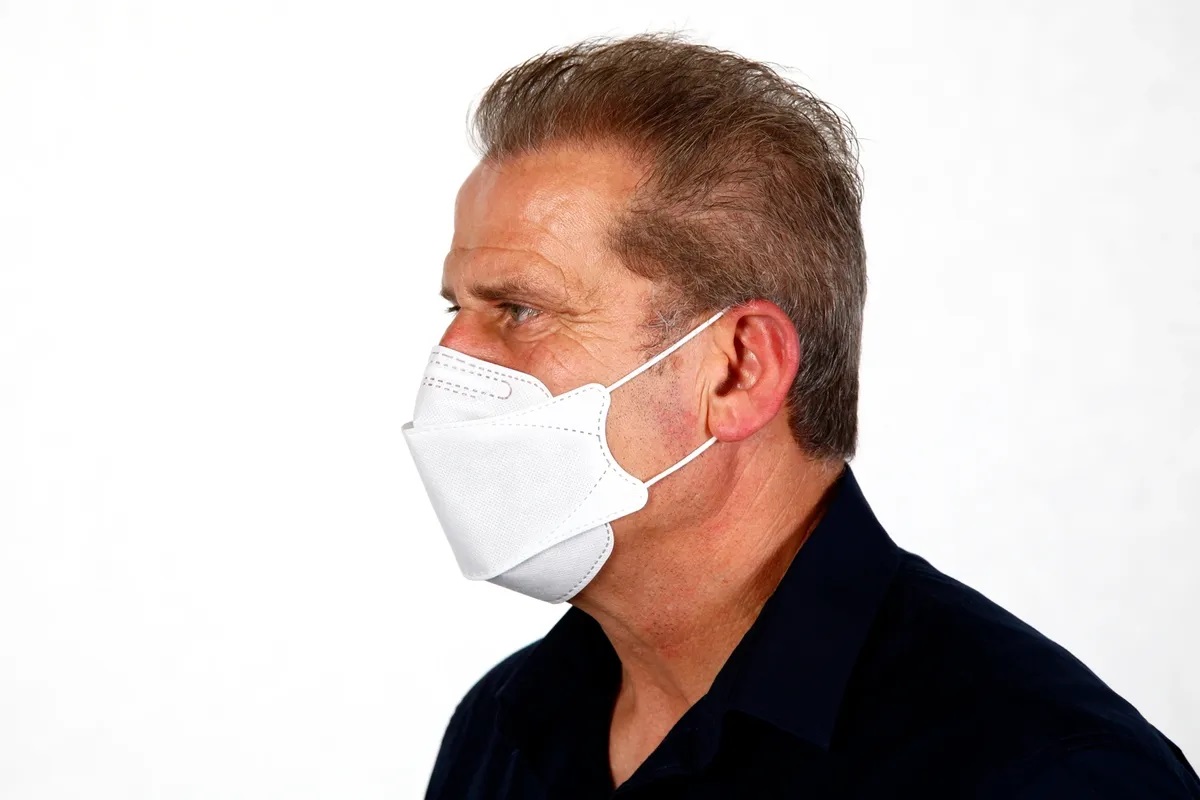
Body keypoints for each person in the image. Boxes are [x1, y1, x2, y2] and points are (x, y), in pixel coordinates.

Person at [400, 34, 1200, 799]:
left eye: (519, 309)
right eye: (454, 308)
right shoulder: (505, 728)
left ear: (739, 371)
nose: (451, 358)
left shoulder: (1041, 773)